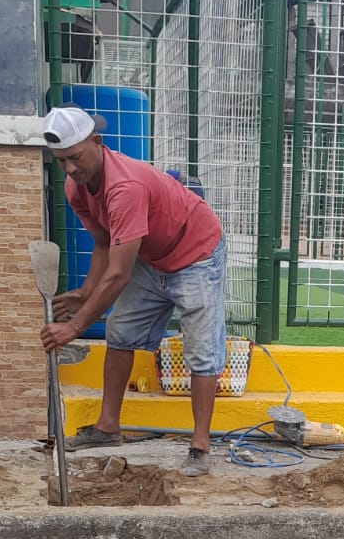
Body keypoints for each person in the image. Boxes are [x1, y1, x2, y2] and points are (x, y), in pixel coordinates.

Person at [39, 106, 227, 476]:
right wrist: (86, 291)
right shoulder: (76, 187)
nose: (70, 169)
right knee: (121, 332)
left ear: (97, 142)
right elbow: (103, 240)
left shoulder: (125, 187)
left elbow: (119, 275)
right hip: (151, 257)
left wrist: (75, 326)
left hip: (196, 253)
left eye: (75, 157)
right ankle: (108, 427)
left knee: (203, 351)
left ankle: (200, 446)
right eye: (61, 161)